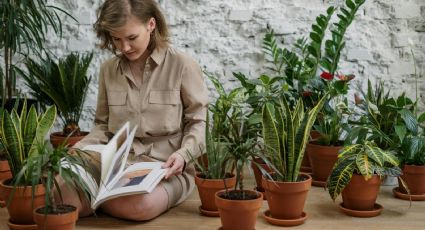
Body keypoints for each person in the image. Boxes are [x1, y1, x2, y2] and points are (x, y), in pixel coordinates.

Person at [68, 0, 208, 221]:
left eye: (131, 38)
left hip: (165, 168)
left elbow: (198, 122)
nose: (124, 47)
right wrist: (78, 149)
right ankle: (97, 197)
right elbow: (102, 126)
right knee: (60, 187)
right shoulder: (108, 70)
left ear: (151, 25)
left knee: (140, 206)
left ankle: (91, 199)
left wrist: (183, 155)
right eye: (116, 39)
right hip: (115, 164)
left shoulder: (183, 65)